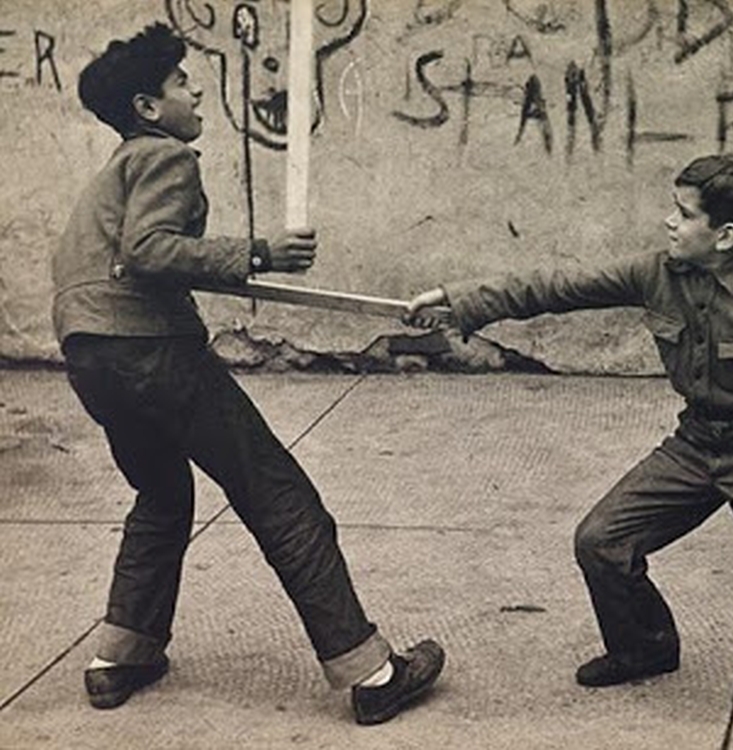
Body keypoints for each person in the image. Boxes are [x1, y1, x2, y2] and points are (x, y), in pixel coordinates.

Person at [406, 152, 733, 749]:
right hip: (696, 442)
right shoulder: (653, 274)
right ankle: (646, 647)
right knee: (601, 541)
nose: (669, 222)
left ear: (725, 236)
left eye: (684, 214)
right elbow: (557, 287)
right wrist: (459, 300)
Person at [52, 23, 443, 726]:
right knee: (279, 495)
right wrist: (261, 253)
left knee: (161, 494)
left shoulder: (112, 174)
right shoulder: (166, 156)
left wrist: (245, 263)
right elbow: (149, 251)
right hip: (153, 351)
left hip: (90, 357)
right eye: (182, 82)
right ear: (148, 107)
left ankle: (119, 655)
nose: (198, 91)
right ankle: (372, 671)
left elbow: (122, 261)